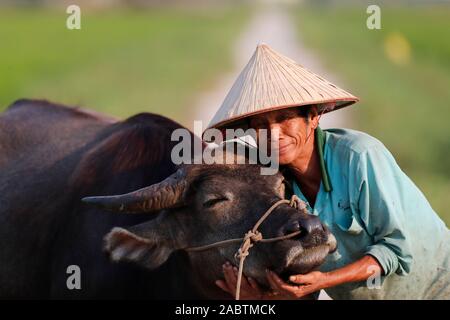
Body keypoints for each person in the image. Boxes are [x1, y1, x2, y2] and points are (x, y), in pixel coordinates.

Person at [206, 44, 449, 299]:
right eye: (260, 125)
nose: (273, 134)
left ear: (313, 117)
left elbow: (397, 249)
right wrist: (263, 297)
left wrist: (326, 279)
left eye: (285, 118)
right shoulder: (276, 187)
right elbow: (300, 274)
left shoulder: (359, 157)